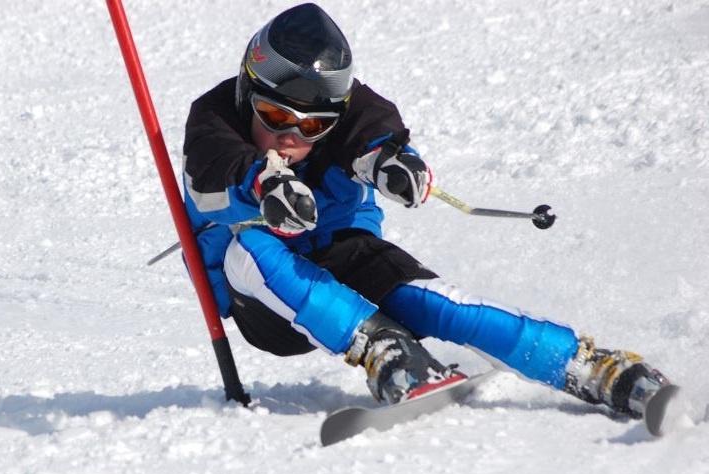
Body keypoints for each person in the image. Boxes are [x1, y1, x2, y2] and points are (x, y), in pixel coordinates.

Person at [181, 3, 669, 418]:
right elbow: (216, 171)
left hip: (339, 253)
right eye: (275, 117)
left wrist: (388, 160)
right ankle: (381, 348)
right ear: (248, 94)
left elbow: (367, 125)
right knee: (248, 245)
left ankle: (590, 367)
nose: (292, 136)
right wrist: (265, 182)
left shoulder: (339, 119)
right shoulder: (214, 123)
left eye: (314, 125)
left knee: (431, 301)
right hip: (266, 305)